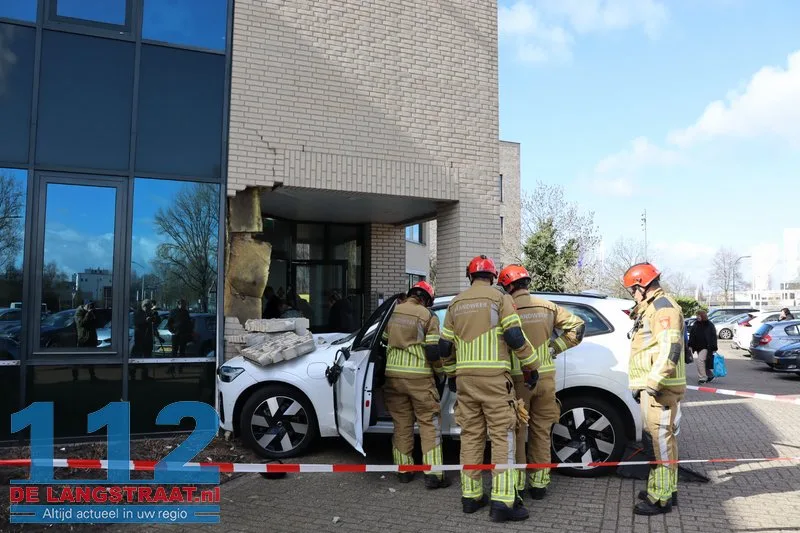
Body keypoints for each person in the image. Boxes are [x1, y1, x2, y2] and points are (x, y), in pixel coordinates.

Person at [440, 255, 540, 523]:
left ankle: (471, 497)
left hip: (465, 381)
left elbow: (444, 347)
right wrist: (532, 364)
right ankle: (504, 502)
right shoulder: (500, 299)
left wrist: (451, 374)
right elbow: (515, 337)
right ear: (493, 276)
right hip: (495, 379)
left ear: (469, 276)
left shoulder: (455, 303)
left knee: (470, 436)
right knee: (502, 437)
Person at [497, 265, 585, 500]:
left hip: (518, 380)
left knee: (516, 432)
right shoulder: (547, 306)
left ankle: (517, 485)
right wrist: (554, 347)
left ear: (509, 286)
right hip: (545, 379)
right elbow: (578, 327)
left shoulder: (505, 307)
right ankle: (539, 484)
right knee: (541, 431)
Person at [622, 262, 686, 516]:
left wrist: (652, 384)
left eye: (632, 290)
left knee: (659, 442)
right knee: (663, 440)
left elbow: (671, 348)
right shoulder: (653, 307)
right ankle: (665, 489)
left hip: (659, 389)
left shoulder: (662, 308)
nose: (632, 295)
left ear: (642, 286)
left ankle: (660, 499)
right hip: (656, 388)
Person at [380, 281, 448, 489]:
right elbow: (433, 351)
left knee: (401, 424)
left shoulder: (393, 312)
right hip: (419, 378)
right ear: (427, 299)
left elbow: (383, 340)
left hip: (393, 377)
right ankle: (433, 474)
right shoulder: (428, 316)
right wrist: (440, 373)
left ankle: (404, 471)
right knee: (429, 424)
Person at [688, 310, 717, 384]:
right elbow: (692, 336)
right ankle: (710, 375)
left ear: (703, 316)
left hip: (706, 347)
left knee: (700, 361)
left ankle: (702, 378)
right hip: (698, 347)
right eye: (697, 315)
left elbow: (713, 337)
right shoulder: (696, 324)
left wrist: (714, 347)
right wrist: (690, 345)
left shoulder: (709, 325)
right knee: (704, 362)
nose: (697, 317)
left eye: (699, 315)